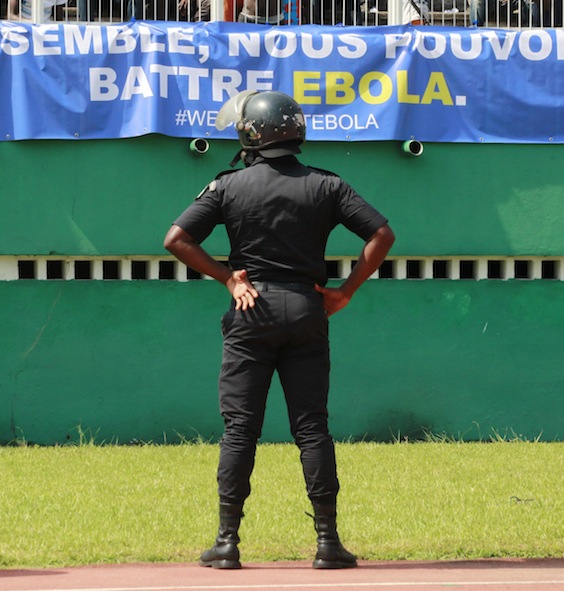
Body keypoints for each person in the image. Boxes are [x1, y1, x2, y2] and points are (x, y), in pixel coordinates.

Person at [163, 91, 395, 570]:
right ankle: (328, 544)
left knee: (241, 428)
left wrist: (229, 277)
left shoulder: (229, 185)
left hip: (252, 312)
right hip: (308, 308)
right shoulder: (327, 185)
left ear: (251, 133)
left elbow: (176, 240)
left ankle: (227, 542)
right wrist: (345, 290)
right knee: (312, 427)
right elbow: (381, 234)